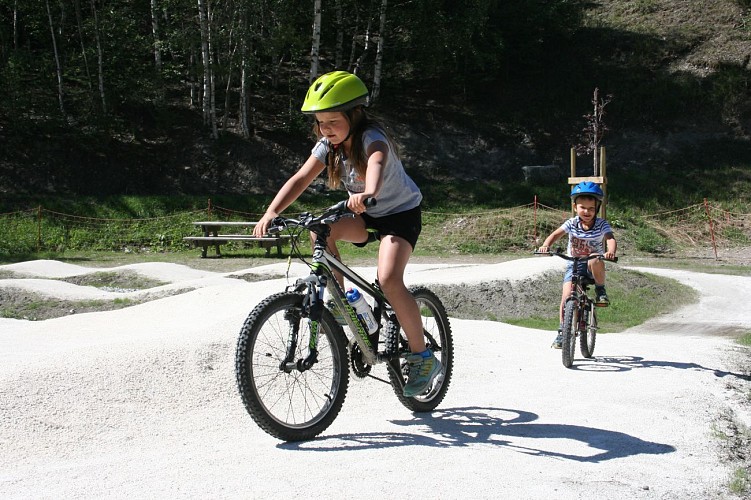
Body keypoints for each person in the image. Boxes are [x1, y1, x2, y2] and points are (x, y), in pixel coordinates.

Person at [253, 70, 442, 397]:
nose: (326, 129)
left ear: (354, 114)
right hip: (365, 212)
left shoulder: (371, 136)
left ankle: (422, 356)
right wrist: (272, 211)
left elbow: (378, 162)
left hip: (400, 214)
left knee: (389, 280)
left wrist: (368, 192)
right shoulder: (328, 145)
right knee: (321, 230)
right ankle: (342, 303)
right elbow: (300, 179)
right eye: (320, 123)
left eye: (332, 121)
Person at [537, 181, 617, 349]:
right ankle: (562, 332)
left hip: (592, 266)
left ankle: (601, 290)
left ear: (597, 209)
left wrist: (610, 251)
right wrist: (546, 245)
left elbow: (610, 238)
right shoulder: (572, 223)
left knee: (595, 256)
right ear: (575, 207)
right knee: (566, 297)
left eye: (591, 208)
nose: (587, 212)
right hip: (574, 264)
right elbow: (555, 235)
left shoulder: (601, 224)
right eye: (583, 207)